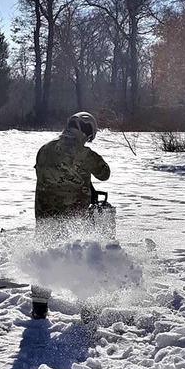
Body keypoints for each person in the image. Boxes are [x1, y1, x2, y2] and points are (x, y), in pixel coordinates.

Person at [31, 111, 111, 320]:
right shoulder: (84, 154)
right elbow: (105, 173)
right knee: (83, 261)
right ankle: (88, 309)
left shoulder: (44, 149)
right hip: (75, 222)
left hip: (45, 219)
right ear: (84, 131)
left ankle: (39, 308)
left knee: (44, 260)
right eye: (88, 135)